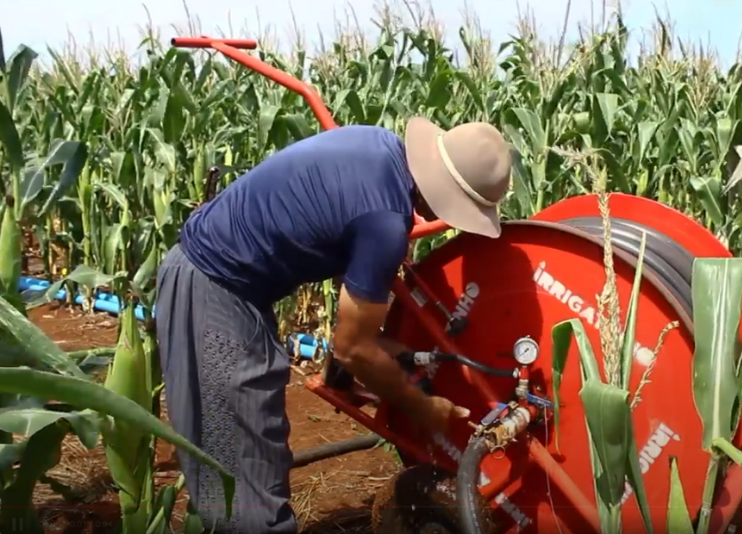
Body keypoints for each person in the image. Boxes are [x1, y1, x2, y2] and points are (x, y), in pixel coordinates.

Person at [154, 116, 512, 533]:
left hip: (233, 286)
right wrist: (424, 406)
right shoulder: (385, 223)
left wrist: (362, 366)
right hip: (213, 288)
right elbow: (352, 348)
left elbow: (340, 234)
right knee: (236, 456)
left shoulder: (378, 146)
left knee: (253, 442)